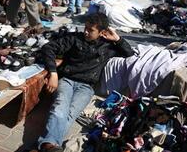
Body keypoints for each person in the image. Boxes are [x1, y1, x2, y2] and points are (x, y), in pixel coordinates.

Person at [35, 13, 134, 152]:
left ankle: (47, 145)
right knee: (59, 109)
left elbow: (129, 54)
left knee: (71, 114)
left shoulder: (108, 46)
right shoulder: (74, 39)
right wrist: (53, 73)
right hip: (67, 80)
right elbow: (48, 48)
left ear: (102, 32)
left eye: (91, 30)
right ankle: (49, 145)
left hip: (87, 87)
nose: (86, 32)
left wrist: (117, 38)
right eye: (85, 28)